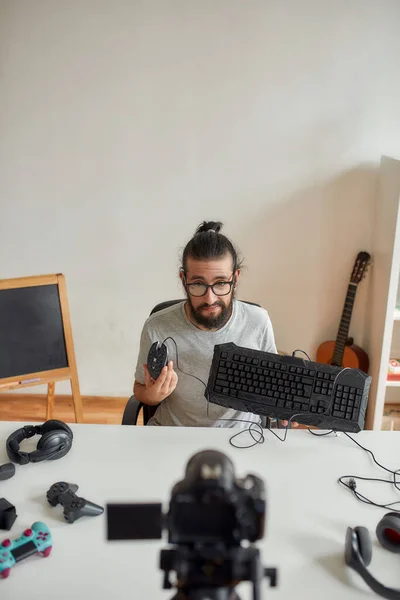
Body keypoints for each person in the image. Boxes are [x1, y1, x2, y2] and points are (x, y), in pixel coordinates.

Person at [133, 221, 294, 428]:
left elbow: (273, 385)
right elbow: (139, 387)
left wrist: (282, 405)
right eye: (198, 284)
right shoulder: (157, 326)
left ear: (235, 278)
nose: (210, 299)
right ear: (184, 279)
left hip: (242, 437)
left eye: (220, 283)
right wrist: (152, 396)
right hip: (173, 436)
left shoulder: (258, 321)